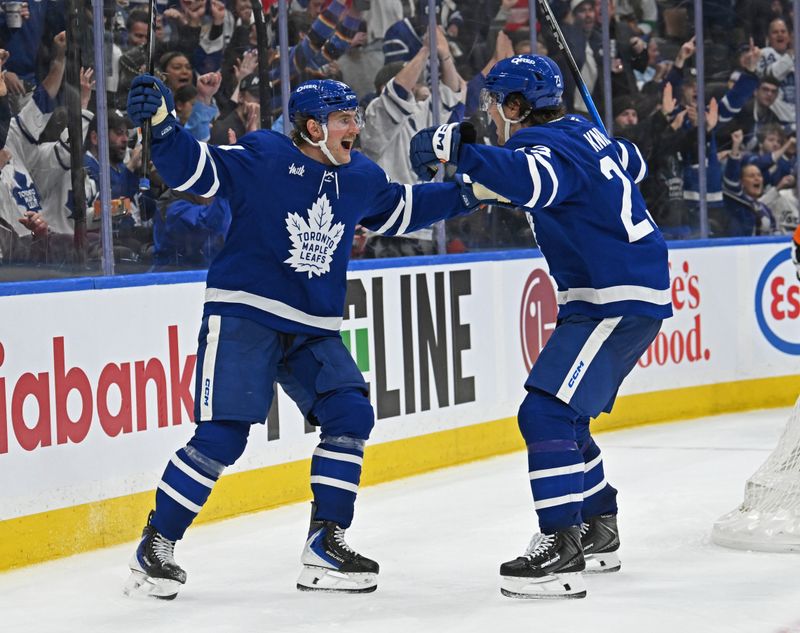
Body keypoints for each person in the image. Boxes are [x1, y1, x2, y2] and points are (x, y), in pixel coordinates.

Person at [123, 73, 479, 600]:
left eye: (355, 117)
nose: (355, 127)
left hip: (312, 327)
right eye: (344, 119)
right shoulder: (264, 154)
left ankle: (324, 544)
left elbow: (402, 208)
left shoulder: (358, 174)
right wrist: (161, 124)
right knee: (223, 436)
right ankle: (155, 545)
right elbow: (195, 171)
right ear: (313, 127)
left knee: (351, 414)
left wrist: (469, 192)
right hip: (247, 314)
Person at [409, 54, 672, 599]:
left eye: (497, 102)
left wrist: (456, 150)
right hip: (613, 293)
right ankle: (599, 525)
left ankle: (562, 545)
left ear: (516, 105)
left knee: (544, 411)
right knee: (567, 417)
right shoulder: (586, 134)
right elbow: (634, 161)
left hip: (612, 297)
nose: (493, 112)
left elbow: (533, 181)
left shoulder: (543, 148)